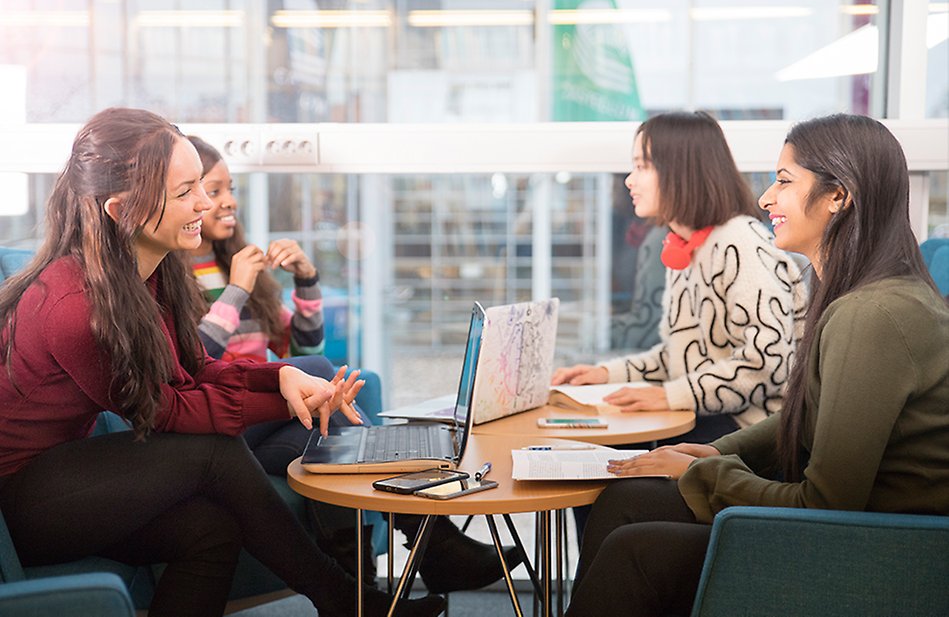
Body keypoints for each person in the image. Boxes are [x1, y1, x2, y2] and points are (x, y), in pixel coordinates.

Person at [0, 107, 445, 617]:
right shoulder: (72, 308)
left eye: (202, 186)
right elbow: (164, 411)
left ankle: (346, 601)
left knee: (211, 533)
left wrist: (282, 376)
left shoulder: (149, 271)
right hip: (20, 501)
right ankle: (345, 602)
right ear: (122, 212)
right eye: (185, 192)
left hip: (70, 472)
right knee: (213, 452)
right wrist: (286, 405)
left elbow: (196, 367)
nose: (206, 203)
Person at [566, 113, 949, 616]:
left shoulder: (873, 316)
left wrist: (711, 471)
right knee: (628, 498)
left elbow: (826, 506)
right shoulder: (856, 296)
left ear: (838, 197)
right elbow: (806, 413)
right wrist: (711, 453)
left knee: (633, 553)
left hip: (875, 549)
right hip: (855, 525)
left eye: (784, 182)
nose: (766, 197)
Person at [185, 135, 521, 594]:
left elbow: (300, 350)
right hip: (216, 424)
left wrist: (306, 280)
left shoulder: (235, 265)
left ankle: (363, 588)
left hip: (263, 421)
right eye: (214, 190)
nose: (227, 203)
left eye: (231, 190)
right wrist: (238, 290)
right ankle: (431, 545)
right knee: (326, 377)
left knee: (331, 433)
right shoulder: (179, 275)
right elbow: (194, 362)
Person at [553, 111, 805, 443]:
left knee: (617, 477)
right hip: (711, 418)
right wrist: (604, 374)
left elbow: (766, 363)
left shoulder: (739, 241)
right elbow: (680, 357)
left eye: (642, 166)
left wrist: (669, 396)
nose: (630, 180)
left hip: (753, 436)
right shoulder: (687, 247)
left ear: (681, 172)